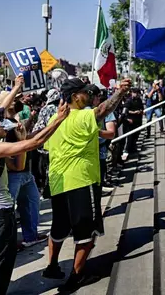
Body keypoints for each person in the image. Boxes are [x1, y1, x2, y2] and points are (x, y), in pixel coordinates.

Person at [0, 94, 69, 295]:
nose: (2, 123)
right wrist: (58, 120)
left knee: (0, 266)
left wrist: (22, 138)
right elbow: (34, 143)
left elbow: (21, 162)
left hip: (2, 216)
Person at [42, 77, 130, 291]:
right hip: (81, 180)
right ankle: (76, 276)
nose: (89, 96)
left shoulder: (55, 117)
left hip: (58, 181)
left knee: (59, 227)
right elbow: (102, 110)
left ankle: (52, 266)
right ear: (74, 96)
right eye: (85, 93)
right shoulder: (81, 115)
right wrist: (120, 92)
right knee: (85, 232)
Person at [0, 86, 48, 250]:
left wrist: (48, 128)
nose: (18, 101)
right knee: (8, 211)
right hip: (12, 175)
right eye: (14, 99)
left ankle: (30, 236)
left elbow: (25, 140)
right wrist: (10, 164)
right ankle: (8, 244)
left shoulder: (14, 121)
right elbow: (0, 147)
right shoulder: (0, 124)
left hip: (25, 172)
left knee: (32, 204)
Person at [85, 85, 117, 194]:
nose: (98, 98)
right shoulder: (79, 112)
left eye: (100, 96)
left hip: (99, 154)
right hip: (84, 156)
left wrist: (96, 132)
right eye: (97, 96)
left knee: (96, 188)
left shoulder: (105, 112)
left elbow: (111, 133)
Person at [121, 88, 144, 161]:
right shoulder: (129, 101)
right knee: (130, 137)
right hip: (131, 121)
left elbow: (142, 108)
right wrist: (134, 112)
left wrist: (140, 111)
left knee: (136, 135)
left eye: (137, 93)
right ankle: (127, 150)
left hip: (138, 121)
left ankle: (133, 148)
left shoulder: (139, 100)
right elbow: (125, 111)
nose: (136, 94)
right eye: (134, 93)